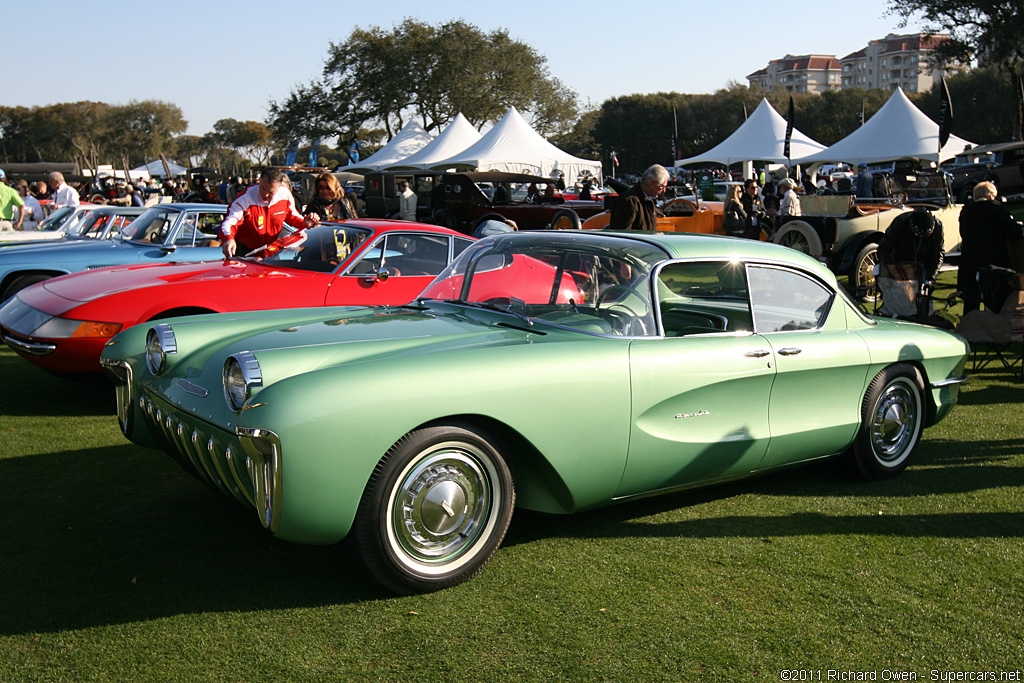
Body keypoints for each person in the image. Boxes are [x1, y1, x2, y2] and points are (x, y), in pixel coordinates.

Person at [219, 167, 320, 258]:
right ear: (259, 181)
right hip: (245, 253)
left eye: (271, 192)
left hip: (271, 253)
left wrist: (305, 223)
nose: (265, 194)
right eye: (262, 188)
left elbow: (292, 216)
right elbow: (229, 222)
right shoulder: (246, 197)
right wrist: (228, 238)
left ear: (279, 187)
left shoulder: (285, 194)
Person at [957, 181, 1023, 313]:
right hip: (994, 261)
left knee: (970, 303)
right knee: (995, 301)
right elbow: (1014, 233)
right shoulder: (999, 210)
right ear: (991, 196)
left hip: (970, 262)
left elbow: (963, 234)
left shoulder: (966, 212)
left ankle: (969, 328)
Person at [877, 208, 945, 284]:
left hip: (923, 264)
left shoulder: (938, 228)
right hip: (900, 262)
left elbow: (938, 254)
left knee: (923, 289)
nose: (921, 237)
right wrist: (890, 268)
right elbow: (884, 248)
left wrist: (930, 277)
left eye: (926, 235)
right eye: (919, 234)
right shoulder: (900, 223)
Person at [608, 164, 668, 231]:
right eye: (662, 186)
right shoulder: (629, 201)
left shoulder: (647, 201)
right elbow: (622, 234)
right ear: (652, 183)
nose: (664, 191)